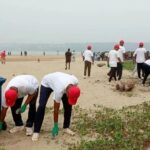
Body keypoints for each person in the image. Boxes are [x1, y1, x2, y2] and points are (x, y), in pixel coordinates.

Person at [32, 72, 80, 141]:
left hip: (60, 81)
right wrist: (55, 125)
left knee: (68, 106)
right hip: (47, 83)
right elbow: (56, 109)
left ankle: (66, 127)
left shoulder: (75, 81)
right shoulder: (59, 89)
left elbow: (71, 76)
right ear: (67, 92)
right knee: (42, 106)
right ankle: (36, 131)